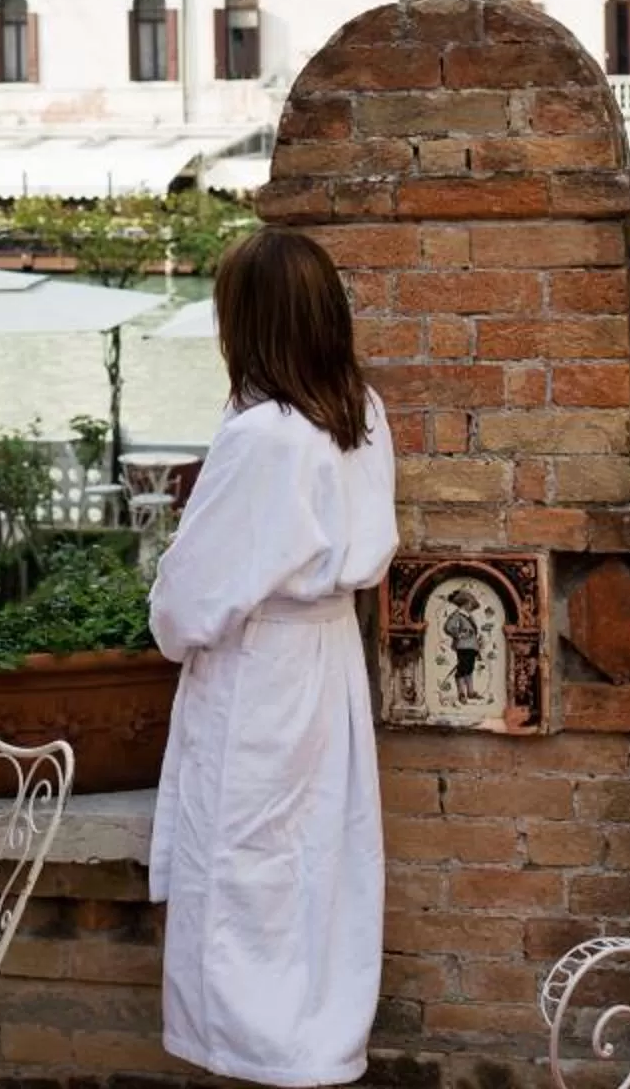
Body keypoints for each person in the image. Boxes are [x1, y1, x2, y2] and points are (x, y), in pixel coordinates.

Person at [149, 227, 399, 1088]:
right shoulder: (360, 412)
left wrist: (169, 620)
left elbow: (192, 598)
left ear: (247, 324)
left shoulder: (264, 436)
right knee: (321, 872)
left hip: (263, 675)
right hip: (329, 666)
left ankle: (263, 1063)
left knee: (245, 880)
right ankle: (319, 1053)